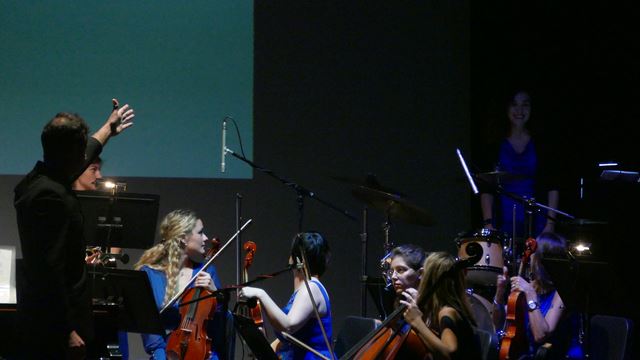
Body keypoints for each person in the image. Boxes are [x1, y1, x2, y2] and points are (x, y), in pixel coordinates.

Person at [14, 99, 134, 359]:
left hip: (50, 324)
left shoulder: (37, 182)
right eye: (80, 152)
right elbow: (49, 269)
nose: (84, 157)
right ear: (69, 154)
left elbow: (84, 150)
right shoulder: (50, 196)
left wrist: (107, 129)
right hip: (56, 331)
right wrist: (65, 330)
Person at [134, 209, 233, 360]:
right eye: (200, 232)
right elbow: (149, 331)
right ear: (183, 238)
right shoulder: (149, 274)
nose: (205, 238)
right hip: (166, 354)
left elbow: (220, 327)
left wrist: (217, 297)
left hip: (204, 353)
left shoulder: (208, 271)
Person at [479, 88, 560, 240]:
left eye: (525, 105)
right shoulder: (495, 145)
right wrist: (488, 224)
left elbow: (552, 186)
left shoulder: (541, 144)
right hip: (503, 221)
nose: (519, 110)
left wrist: (550, 225)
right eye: (514, 104)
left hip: (537, 222)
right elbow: (487, 188)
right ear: (506, 108)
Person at [239, 232, 332, 360]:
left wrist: (261, 294)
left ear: (298, 260)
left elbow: (288, 326)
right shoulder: (304, 289)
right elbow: (290, 339)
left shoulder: (311, 288)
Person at [492, 232, 584, 359]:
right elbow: (497, 324)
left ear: (542, 260)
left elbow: (541, 335)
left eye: (534, 253)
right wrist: (499, 294)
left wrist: (530, 294)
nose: (530, 258)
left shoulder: (562, 292)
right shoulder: (530, 286)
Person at [400, 251, 482, 360]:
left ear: (429, 279)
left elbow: (449, 353)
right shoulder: (446, 309)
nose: (420, 278)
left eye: (423, 274)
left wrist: (417, 322)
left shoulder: (447, 312)